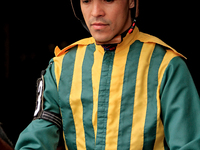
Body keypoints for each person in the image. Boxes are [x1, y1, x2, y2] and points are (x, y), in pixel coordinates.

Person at [15, 0, 200, 149]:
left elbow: (188, 144)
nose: (96, 12)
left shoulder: (167, 65)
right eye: (86, 0)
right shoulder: (60, 67)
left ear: (131, 2)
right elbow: (39, 135)